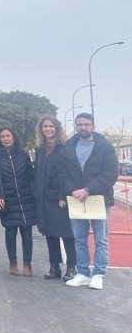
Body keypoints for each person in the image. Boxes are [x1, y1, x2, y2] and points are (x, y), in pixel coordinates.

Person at [62, 113, 118, 290]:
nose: (83, 127)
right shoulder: (69, 147)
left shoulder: (105, 147)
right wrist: (73, 191)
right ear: (75, 126)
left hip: (99, 199)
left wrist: (88, 189)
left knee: (101, 239)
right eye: (79, 124)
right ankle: (83, 273)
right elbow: (63, 174)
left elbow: (110, 174)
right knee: (79, 239)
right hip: (77, 199)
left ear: (93, 126)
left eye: (86, 124)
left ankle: (99, 274)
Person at [33, 115, 76, 282]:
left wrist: (64, 195)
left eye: (51, 126)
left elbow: (69, 173)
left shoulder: (64, 148)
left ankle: (72, 266)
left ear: (57, 128)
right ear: (41, 130)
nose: (48, 129)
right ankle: (54, 266)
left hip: (60, 197)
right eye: (45, 127)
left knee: (66, 233)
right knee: (49, 232)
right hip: (44, 197)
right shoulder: (40, 149)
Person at [0, 127, 36, 276]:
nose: (6, 138)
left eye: (8, 135)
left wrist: (34, 194)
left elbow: (31, 177)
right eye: (2, 136)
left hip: (25, 198)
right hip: (7, 200)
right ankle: (13, 263)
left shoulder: (23, 155)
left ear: (13, 137)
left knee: (27, 234)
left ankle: (27, 264)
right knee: (10, 233)